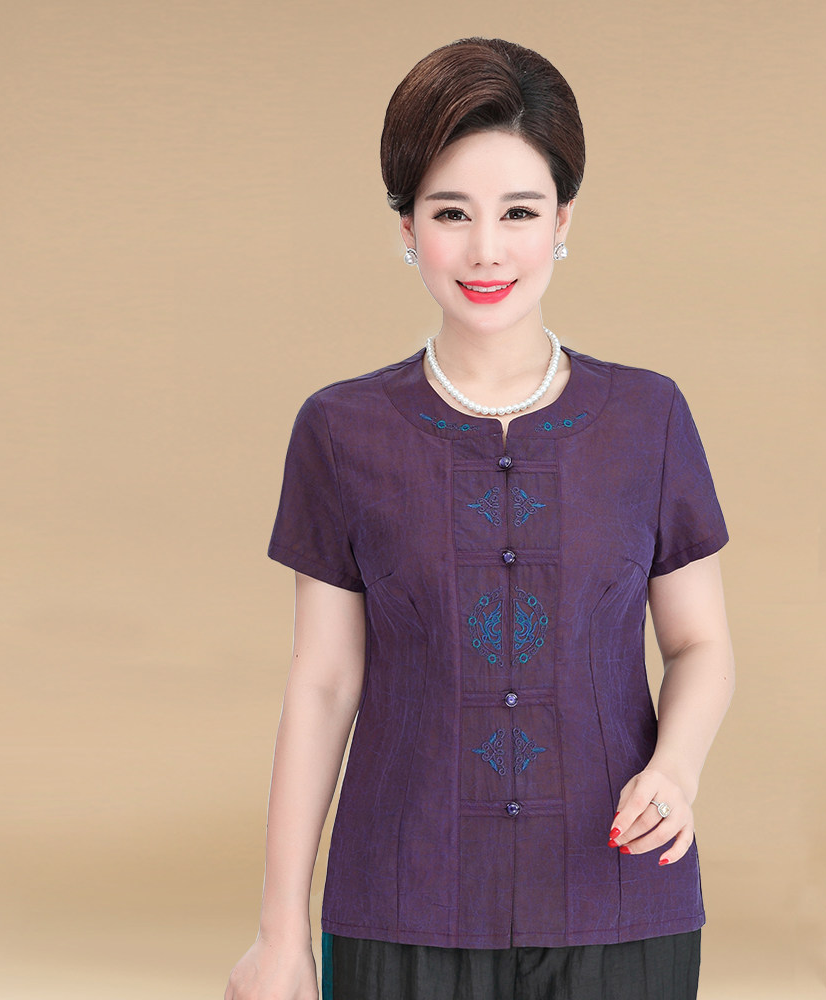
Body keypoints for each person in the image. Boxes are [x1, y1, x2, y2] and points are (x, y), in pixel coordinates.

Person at [225, 36, 734, 1000]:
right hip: (402, 904)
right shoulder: (340, 430)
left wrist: (677, 769)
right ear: (407, 226)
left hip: (619, 899)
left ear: (563, 220)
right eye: (451, 212)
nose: (487, 249)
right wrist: (279, 933)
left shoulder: (649, 417)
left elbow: (700, 644)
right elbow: (324, 684)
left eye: (520, 212)